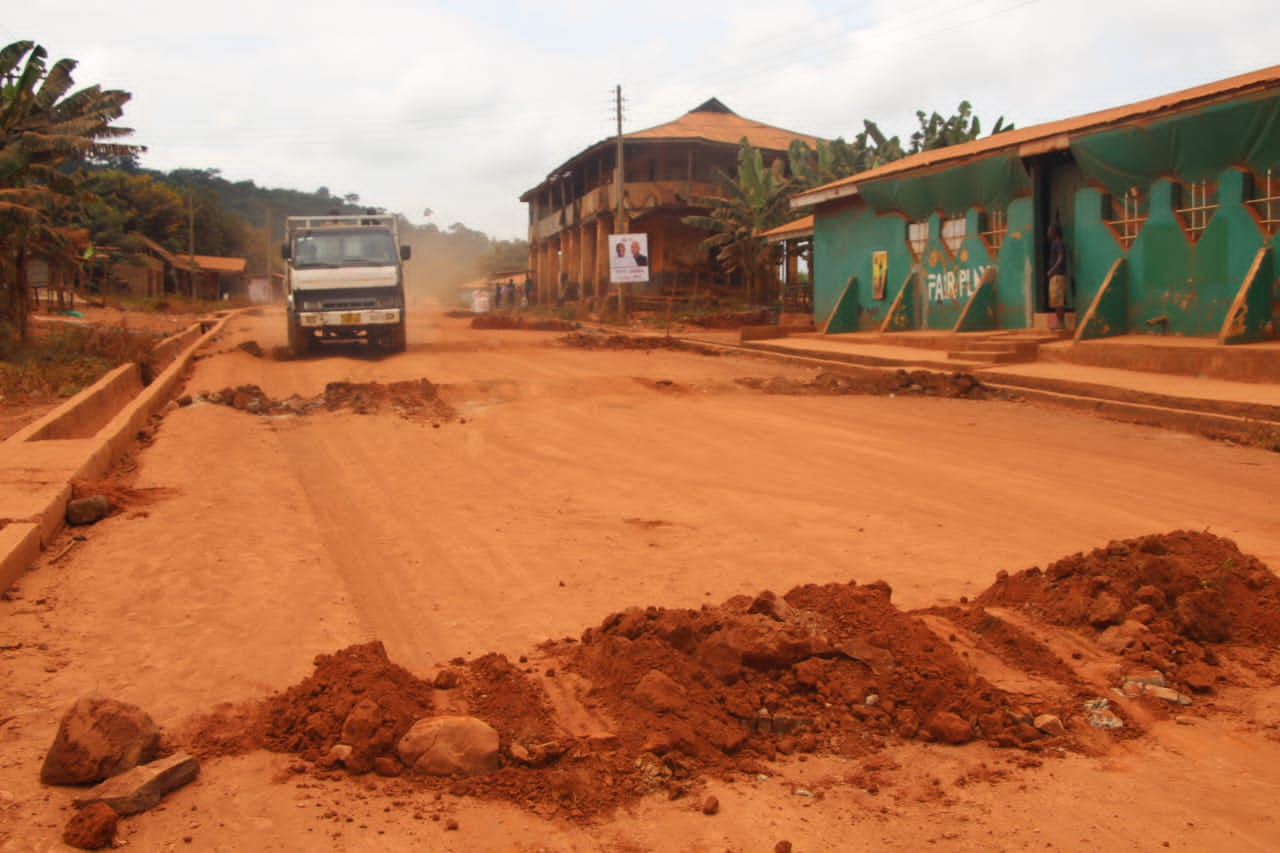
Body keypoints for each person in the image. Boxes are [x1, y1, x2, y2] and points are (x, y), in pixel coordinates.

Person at [1046, 223, 1067, 331]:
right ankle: (1059, 322)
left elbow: (1061, 257)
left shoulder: (1058, 243)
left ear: (1055, 231)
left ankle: (1061, 323)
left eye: (1050, 230)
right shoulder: (1055, 243)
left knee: (1058, 300)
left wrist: (1052, 270)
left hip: (1057, 275)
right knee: (1055, 299)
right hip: (1056, 275)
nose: (1048, 233)